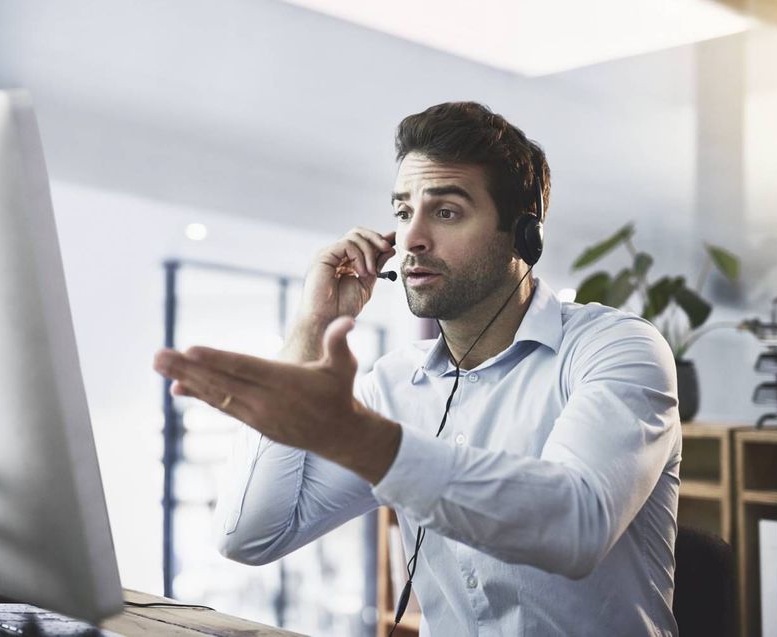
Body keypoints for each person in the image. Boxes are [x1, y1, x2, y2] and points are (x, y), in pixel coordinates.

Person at [154, 102, 681, 636]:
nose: (411, 239)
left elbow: (576, 525)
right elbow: (251, 536)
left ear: (523, 237)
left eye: (446, 212)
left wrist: (364, 441)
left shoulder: (616, 348)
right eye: (404, 212)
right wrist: (311, 328)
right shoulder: (393, 385)